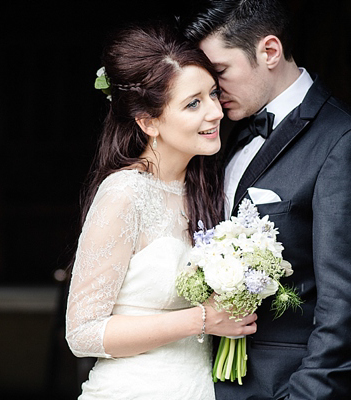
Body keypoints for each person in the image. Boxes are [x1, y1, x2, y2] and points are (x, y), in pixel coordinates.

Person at [64, 22, 258, 399]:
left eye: (213, 94)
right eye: (193, 103)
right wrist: (203, 319)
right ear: (148, 121)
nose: (216, 112)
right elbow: (82, 332)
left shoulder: (206, 185)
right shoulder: (124, 193)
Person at [183, 1, 351, 399]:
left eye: (220, 73)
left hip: (282, 385)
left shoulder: (339, 140)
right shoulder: (220, 135)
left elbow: (342, 304)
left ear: (269, 51)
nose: (211, 93)